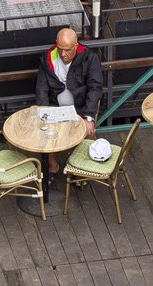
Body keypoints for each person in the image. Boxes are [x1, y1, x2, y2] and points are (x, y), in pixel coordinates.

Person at [36, 27, 103, 176]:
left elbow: (95, 88)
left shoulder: (89, 58)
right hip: (55, 106)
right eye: (60, 49)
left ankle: (84, 167)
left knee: (88, 130)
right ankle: (52, 165)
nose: (63, 54)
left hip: (80, 107)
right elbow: (42, 88)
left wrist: (89, 117)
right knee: (44, 132)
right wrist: (44, 113)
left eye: (67, 50)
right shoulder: (48, 58)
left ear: (76, 46)